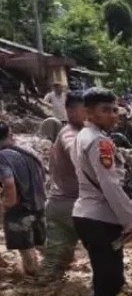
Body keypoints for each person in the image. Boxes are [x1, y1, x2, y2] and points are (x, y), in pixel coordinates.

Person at [73, 88, 132, 296]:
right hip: (100, 217)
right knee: (109, 278)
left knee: (109, 272)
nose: (113, 115)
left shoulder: (86, 136)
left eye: (114, 109)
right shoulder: (99, 141)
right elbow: (110, 185)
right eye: (105, 110)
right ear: (89, 112)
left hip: (90, 216)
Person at [40, 92, 86, 281]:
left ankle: (46, 282)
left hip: (58, 203)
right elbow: (73, 147)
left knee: (57, 256)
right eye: (86, 110)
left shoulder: (68, 133)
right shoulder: (70, 133)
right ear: (71, 111)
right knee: (103, 248)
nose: (91, 114)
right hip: (73, 204)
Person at [0, 121, 47, 275]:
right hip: (39, 204)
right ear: (9, 134)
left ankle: (33, 274)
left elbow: (8, 183)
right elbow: (43, 176)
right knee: (41, 243)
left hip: (21, 209)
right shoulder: (28, 151)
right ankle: (56, 266)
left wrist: (8, 203)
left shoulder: (2, 156)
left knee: (25, 248)